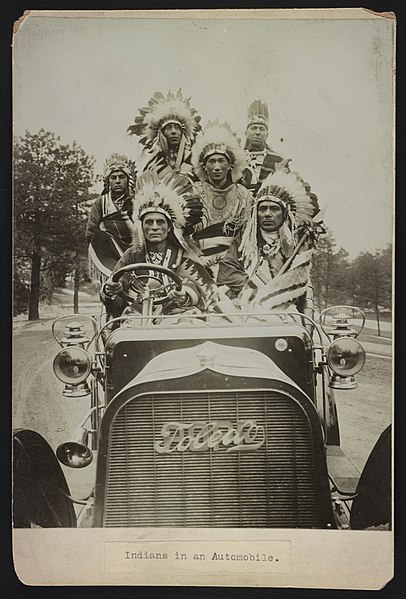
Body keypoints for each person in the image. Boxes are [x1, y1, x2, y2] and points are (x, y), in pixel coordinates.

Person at [101, 171, 217, 318]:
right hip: (137, 315)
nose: (154, 227)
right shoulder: (132, 254)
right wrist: (111, 288)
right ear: (141, 227)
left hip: (177, 315)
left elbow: (205, 289)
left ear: (169, 227)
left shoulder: (183, 253)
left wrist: (185, 294)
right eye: (149, 222)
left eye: (160, 222)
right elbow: (115, 286)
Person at [217, 168, 321, 311]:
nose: (267, 214)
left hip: (285, 306)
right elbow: (226, 271)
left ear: (285, 214)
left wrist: (271, 296)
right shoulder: (245, 240)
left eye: (274, 209)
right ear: (256, 213)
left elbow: (298, 279)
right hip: (245, 302)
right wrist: (254, 290)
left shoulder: (296, 243)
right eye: (262, 209)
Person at [190, 122, 254, 275]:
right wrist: (198, 257)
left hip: (233, 261)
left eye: (221, 161)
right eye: (211, 161)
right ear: (204, 166)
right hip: (199, 260)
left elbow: (247, 235)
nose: (217, 167)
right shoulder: (193, 192)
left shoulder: (243, 195)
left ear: (230, 165)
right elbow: (183, 233)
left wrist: (229, 261)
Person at [127, 89, 201, 179]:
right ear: (161, 134)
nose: (173, 131)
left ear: (183, 133)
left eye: (177, 127)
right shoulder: (152, 165)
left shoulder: (194, 160)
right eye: (169, 127)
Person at [86, 154, 136, 279]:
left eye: (121, 177)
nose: (118, 181)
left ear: (128, 180)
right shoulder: (100, 203)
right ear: (108, 181)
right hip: (109, 256)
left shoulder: (137, 201)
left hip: (136, 253)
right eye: (113, 178)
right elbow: (91, 232)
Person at [241, 100, 288, 196]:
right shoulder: (236, 158)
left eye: (261, 129)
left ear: (267, 135)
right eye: (253, 128)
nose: (257, 132)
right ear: (246, 134)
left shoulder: (278, 160)